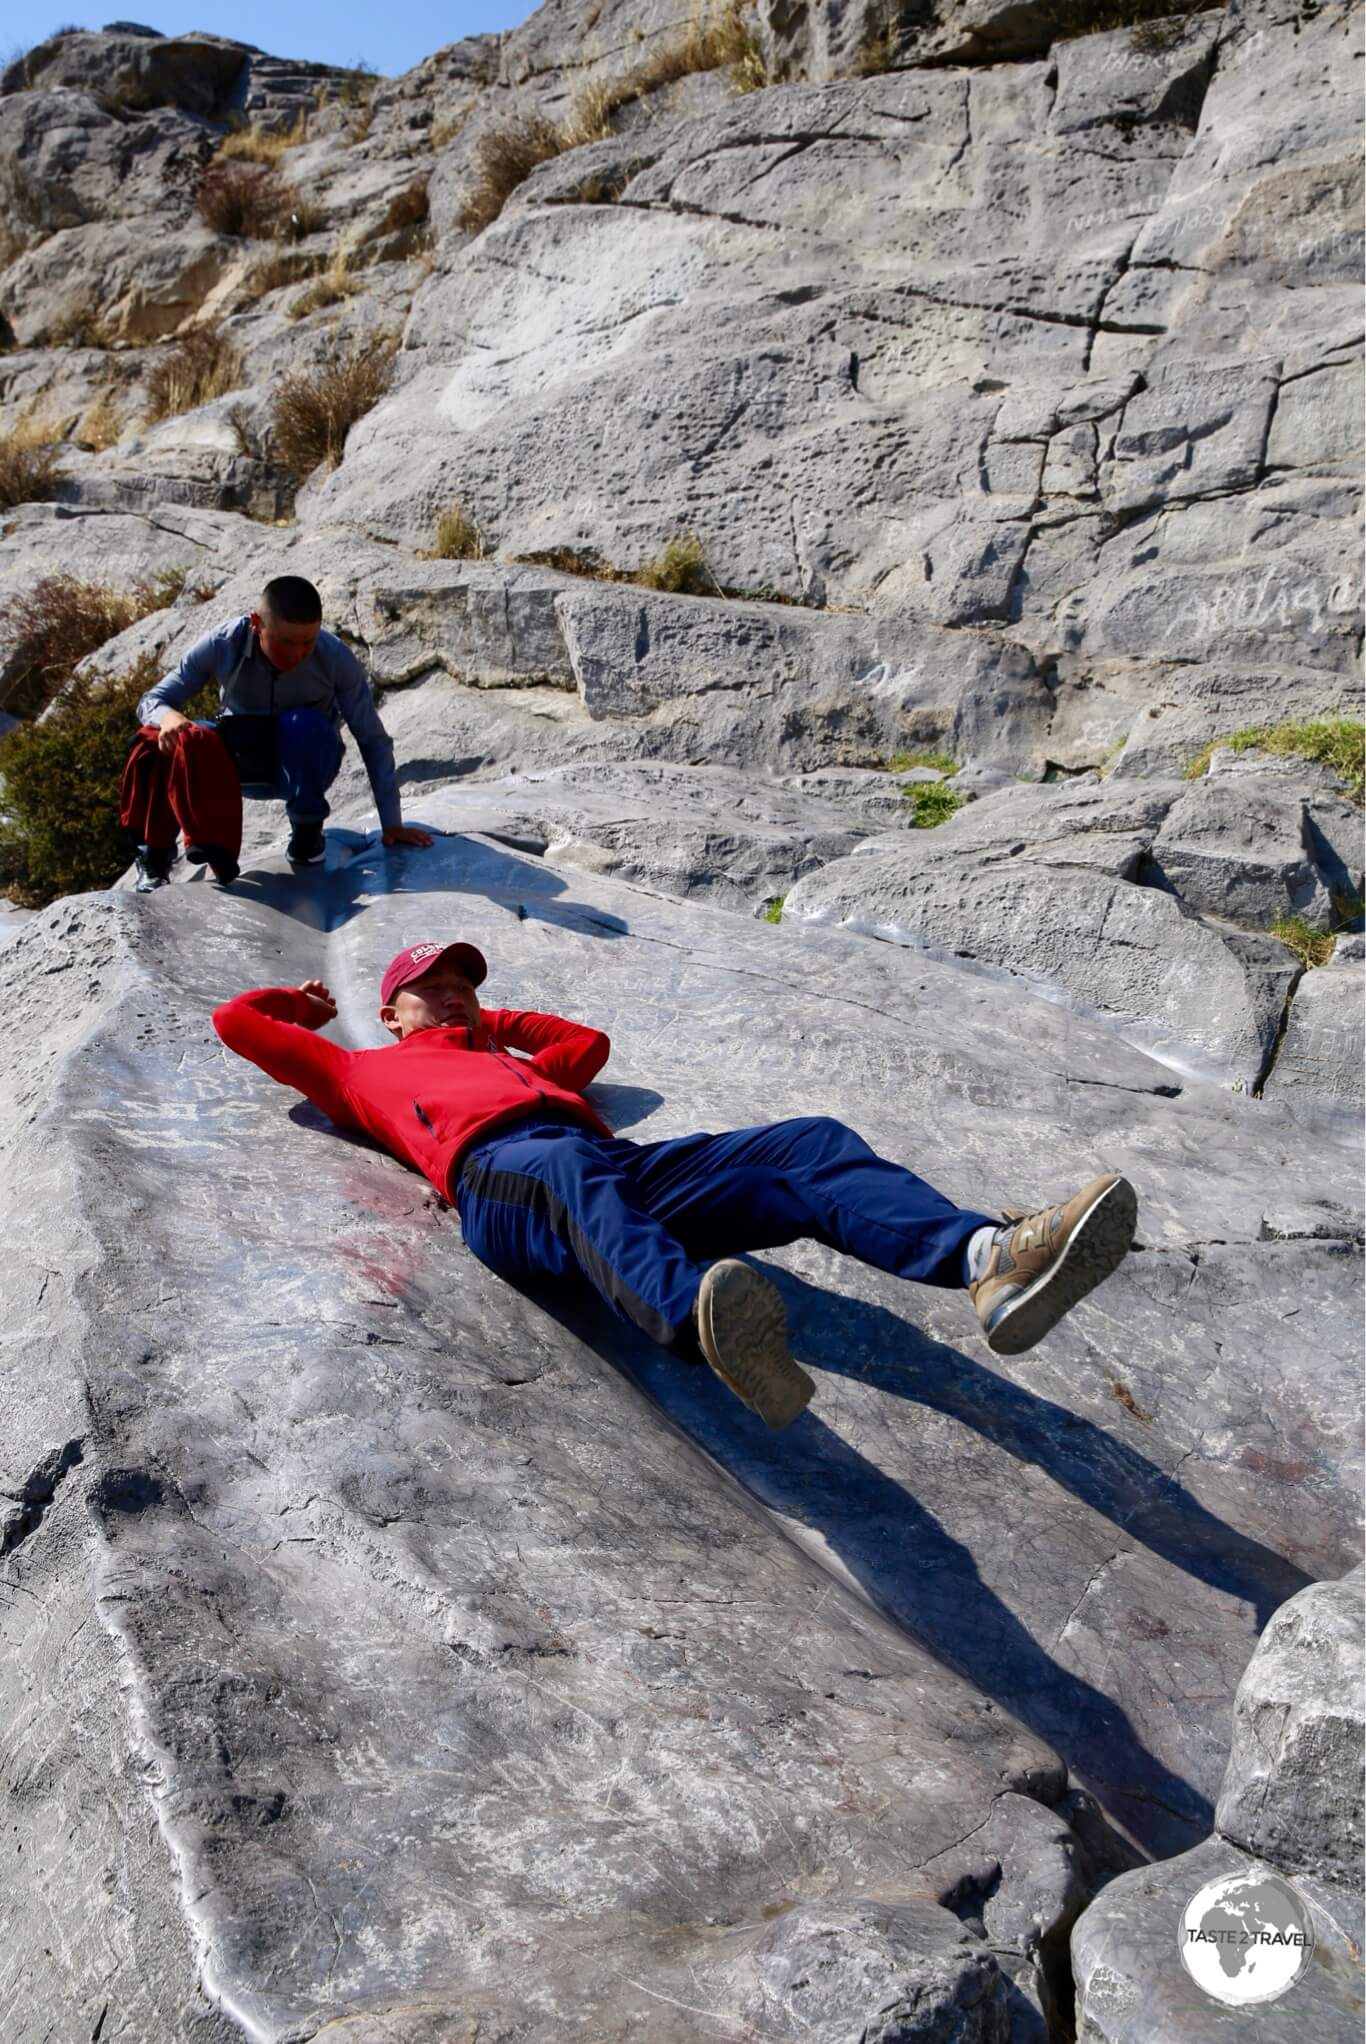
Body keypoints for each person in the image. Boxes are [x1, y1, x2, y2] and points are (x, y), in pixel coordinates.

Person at [212, 941, 1139, 1430]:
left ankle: (988, 1258)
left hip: (614, 1175)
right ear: (389, 1008)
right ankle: (697, 1316)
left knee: (802, 1143)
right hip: (504, 1184)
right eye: (431, 985)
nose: (452, 993)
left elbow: (584, 1048)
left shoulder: (509, 1054)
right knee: (569, 1166)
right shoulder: (360, 1072)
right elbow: (236, 1021)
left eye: (464, 982)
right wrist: (311, 1007)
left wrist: (483, 1021)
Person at [125, 573, 433, 890]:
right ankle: (155, 858)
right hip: (235, 761)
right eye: (285, 642)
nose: (297, 654)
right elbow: (153, 700)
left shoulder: (334, 657)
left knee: (305, 724)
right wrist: (170, 718)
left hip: (303, 761)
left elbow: (372, 738)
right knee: (160, 740)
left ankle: (306, 833)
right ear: (256, 622)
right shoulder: (223, 642)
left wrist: (392, 823)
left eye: (307, 643)